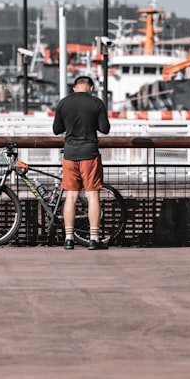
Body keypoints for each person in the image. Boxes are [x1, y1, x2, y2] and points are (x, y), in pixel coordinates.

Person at [52, 75, 111, 250]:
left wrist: (70, 125)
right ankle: (94, 239)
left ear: (74, 88)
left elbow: (57, 129)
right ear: (91, 88)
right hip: (89, 154)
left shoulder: (63, 103)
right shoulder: (96, 103)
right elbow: (105, 129)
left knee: (70, 196)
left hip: (70, 154)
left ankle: (69, 239)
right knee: (92, 196)